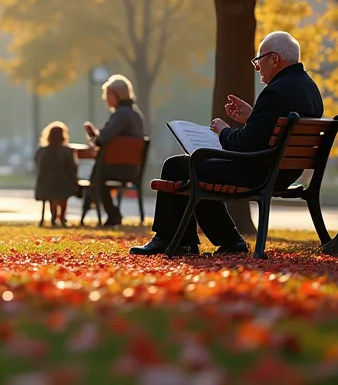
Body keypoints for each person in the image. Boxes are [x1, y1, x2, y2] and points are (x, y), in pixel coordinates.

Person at [130, 31, 324, 255]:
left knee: (178, 167)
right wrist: (252, 117)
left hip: (260, 172)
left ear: (274, 59)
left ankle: (171, 238)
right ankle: (219, 241)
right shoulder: (308, 88)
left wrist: (223, 131)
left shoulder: (275, 92)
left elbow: (243, 144)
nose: (257, 67)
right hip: (283, 171)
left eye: (259, 60)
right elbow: (268, 132)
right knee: (197, 169)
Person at [83, 74, 146, 226]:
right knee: (98, 173)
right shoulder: (135, 114)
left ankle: (110, 212)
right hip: (133, 168)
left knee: (97, 178)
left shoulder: (120, 115)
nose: (105, 99)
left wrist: (93, 135)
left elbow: (103, 138)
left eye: (107, 95)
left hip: (119, 167)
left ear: (116, 95)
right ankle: (93, 203)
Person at [34, 122, 78, 227]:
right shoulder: (67, 151)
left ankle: (54, 217)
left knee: (52, 193)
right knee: (63, 190)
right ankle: (62, 217)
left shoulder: (42, 151)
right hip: (64, 184)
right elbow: (72, 168)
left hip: (45, 184)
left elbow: (37, 166)